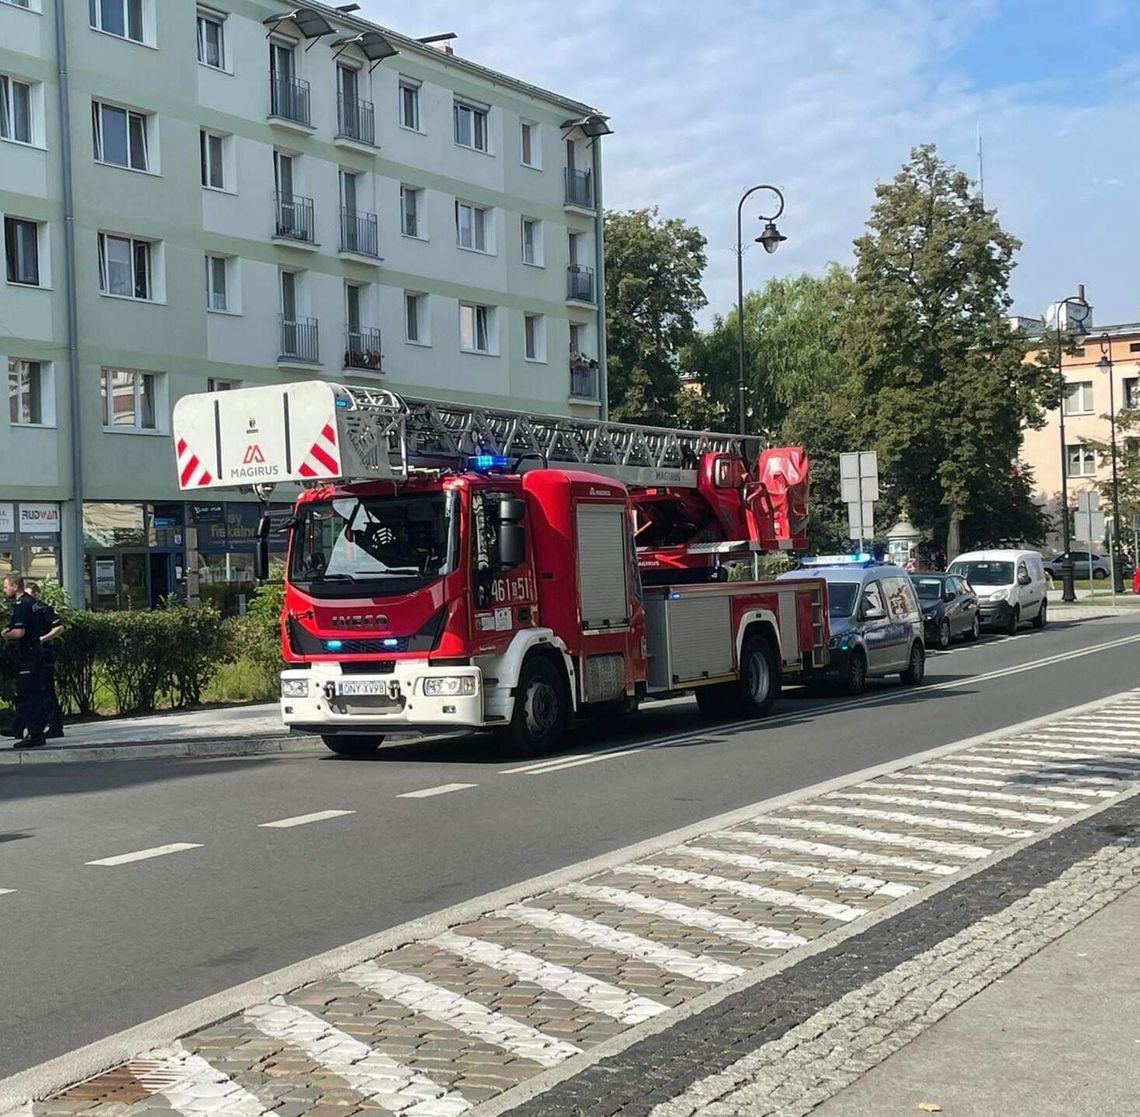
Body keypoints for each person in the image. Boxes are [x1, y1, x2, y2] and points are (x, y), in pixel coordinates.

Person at [2, 573, 48, 749]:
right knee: (36, 694)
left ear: (15, 586)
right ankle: (36, 732)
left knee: (27, 695)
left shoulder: (22, 605)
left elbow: (19, 632)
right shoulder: (33, 603)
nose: (4, 590)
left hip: (27, 655)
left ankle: (34, 734)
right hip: (35, 651)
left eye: (6, 586)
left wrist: (5, 634)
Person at [28, 581, 66, 738]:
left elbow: (59, 627)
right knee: (33, 692)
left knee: (46, 691)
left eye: (30, 595)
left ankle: (55, 726)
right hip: (30, 656)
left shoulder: (43, 609)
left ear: (37, 594)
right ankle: (26, 725)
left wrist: (42, 639)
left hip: (43, 655)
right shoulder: (24, 610)